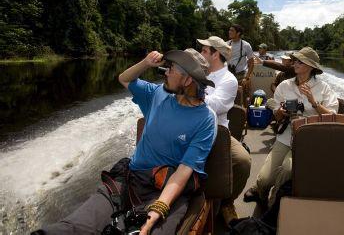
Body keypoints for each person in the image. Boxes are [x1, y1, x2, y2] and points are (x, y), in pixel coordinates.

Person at [38, 49, 217, 235]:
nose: (166, 71)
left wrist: (159, 209)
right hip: (130, 179)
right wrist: (146, 63)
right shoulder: (157, 94)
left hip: (167, 190)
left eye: (171, 69)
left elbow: (183, 171)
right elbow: (124, 79)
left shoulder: (205, 120)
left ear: (188, 80)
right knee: (72, 227)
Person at [244, 47, 338, 207]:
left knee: (288, 169)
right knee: (266, 179)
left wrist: (313, 102)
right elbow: (276, 115)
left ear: (310, 66)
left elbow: (332, 116)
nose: (294, 63)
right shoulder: (284, 86)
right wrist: (280, 112)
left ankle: (274, 203)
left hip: (309, 138)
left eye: (299, 61)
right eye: (294, 60)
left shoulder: (323, 89)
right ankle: (261, 189)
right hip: (286, 134)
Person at [196, 36, 251, 226]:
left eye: (204, 50)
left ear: (215, 54)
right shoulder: (197, 72)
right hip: (190, 125)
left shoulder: (229, 80)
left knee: (243, 162)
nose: (200, 53)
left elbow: (217, 106)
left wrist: (193, 90)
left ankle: (227, 202)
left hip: (217, 130)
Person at [227, 24, 254, 102]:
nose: (229, 32)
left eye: (232, 30)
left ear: (238, 33)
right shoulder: (226, 44)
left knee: (243, 98)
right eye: (229, 30)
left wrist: (247, 78)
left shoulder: (246, 45)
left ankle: (245, 112)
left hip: (241, 75)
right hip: (228, 75)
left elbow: (251, 63)